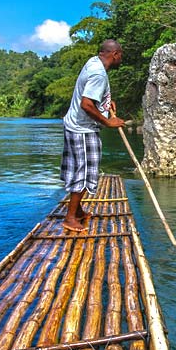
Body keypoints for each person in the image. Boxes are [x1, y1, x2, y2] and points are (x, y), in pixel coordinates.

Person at [60, 39, 126, 231]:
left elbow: (91, 97)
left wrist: (105, 103)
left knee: (76, 169)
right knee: (84, 173)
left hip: (73, 126)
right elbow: (87, 104)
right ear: (114, 54)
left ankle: (78, 211)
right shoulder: (99, 73)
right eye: (120, 55)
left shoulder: (93, 62)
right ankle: (70, 218)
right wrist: (108, 121)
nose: (120, 58)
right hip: (83, 130)